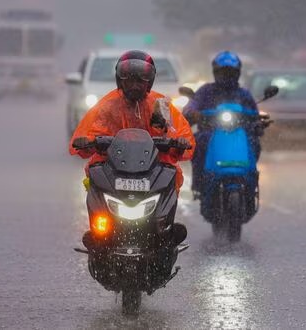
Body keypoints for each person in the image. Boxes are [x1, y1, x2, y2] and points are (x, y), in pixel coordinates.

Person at [69, 49, 195, 247]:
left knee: (171, 174)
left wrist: (176, 141)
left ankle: (164, 228)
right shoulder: (108, 106)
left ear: (149, 83)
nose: (135, 86)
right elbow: (90, 134)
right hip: (114, 165)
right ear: (120, 81)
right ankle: (99, 231)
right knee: (94, 175)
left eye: (140, 81)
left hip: (152, 167)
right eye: (130, 81)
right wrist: (89, 141)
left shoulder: (161, 106)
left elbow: (181, 135)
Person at [183, 51, 263, 196]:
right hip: (210, 133)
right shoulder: (205, 91)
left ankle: (251, 181)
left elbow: (255, 113)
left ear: (238, 73)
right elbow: (191, 107)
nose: (227, 76)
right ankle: (200, 184)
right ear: (215, 73)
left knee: (254, 143)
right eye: (223, 72)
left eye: (231, 72)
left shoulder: (244, 94)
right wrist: (192, 113)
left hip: (240, 135)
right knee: (198, 143)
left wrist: (259, 121)